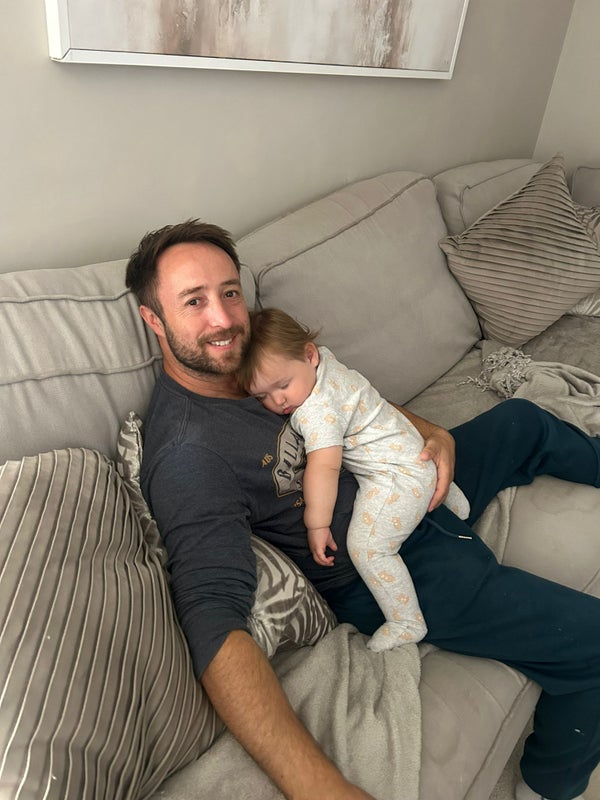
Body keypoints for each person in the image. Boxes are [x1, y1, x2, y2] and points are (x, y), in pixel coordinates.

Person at [125, 218, 600, 800]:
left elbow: (344, 398)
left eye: (229, 292)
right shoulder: (189, 454)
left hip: (397, 478)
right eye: (193, 301)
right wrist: (322, 790)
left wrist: (430, 434)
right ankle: (550, 785)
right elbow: (212, 619)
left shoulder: (256, 356)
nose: (223, 318)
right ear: (154, 319)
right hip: (385, 561)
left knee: (522, 421)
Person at [238, 307, 470, 651]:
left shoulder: (316, 411)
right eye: (262, 396)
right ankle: (455, 503)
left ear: (309, 355)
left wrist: (317, 524)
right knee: (416, 478)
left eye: (283, 386)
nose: (278, 401)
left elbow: (324, 468)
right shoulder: (327, 365)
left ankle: (406, 621)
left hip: (397, 477)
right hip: (415, 451)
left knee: (367, 548)